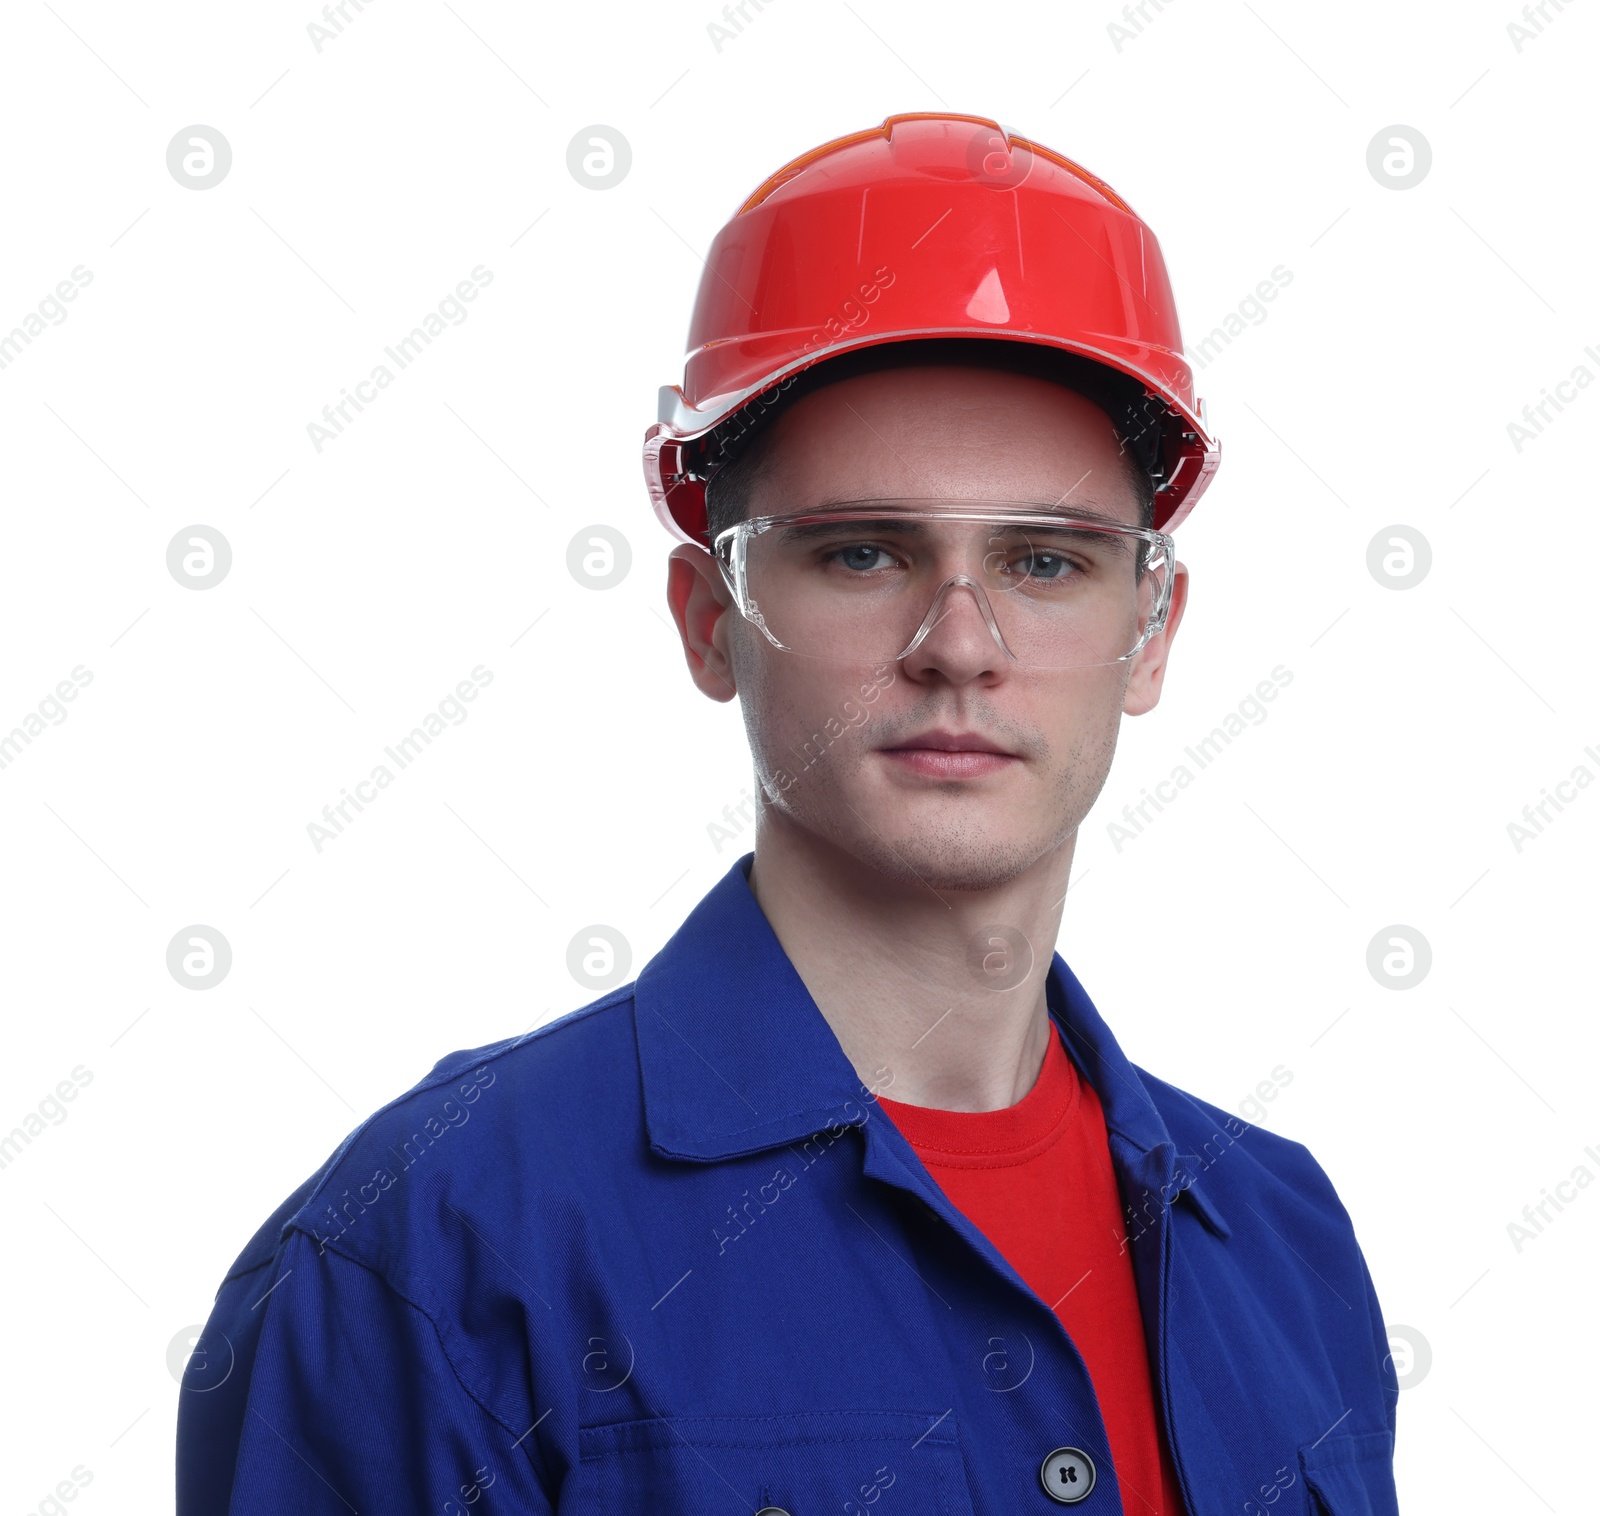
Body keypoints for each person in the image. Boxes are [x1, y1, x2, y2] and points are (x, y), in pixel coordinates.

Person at [178, 114, 1399, 1515]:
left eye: (1048, 561)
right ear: (712, 621)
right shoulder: (433, 1247)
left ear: (1155, 629)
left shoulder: (1283, 1245)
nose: (959, 640)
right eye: (863, 552)